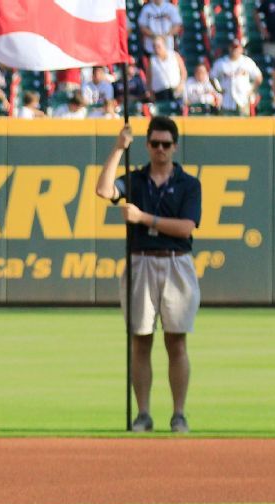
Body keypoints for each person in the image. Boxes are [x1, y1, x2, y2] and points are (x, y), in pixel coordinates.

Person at [95, 117, 202, 433]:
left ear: (175, 146)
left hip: (175, 261)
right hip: (141, 260)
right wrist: (118, 148)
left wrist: (144, 218)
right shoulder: (136, 180)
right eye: (154, 143)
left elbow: (186, 227)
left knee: (176, 341)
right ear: (147, 145)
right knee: (140, 340)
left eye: (165, 144)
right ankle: (143, 413)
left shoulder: (188, 184)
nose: (160, 150)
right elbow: (103, 190)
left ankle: (178, 413)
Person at [211, 38, 262, 115]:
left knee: (243, 126)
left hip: (242, 100)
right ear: (229, 48)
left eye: (237, 48)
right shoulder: (221, 62)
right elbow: (211, 77)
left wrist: (251, 89)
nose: (234, 50)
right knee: (226, 125)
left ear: (241, 49)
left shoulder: (247, 62)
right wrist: (218, 89)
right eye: (233, 47)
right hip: (226, 101)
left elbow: (258, 77)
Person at [148, 36, 187, 114]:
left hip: (176, 90)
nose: (156, 48)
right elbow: (149, 79)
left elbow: (183, 72)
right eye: (154, 46)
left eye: (158, 46)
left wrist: (181, 84)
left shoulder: (174, 55)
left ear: (164, 45)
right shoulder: (152, 60)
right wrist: (151, 93)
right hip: (160, 93)